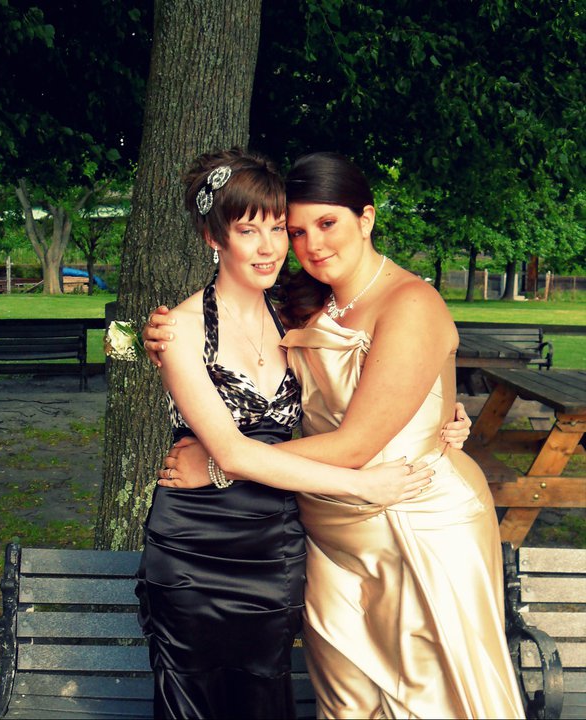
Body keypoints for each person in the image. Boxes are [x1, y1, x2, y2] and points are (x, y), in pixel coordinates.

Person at [142, 151, 519, 720]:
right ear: (215, 237)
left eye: (325, 224)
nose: (305, 244)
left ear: (366, 219)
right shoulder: (301, 303)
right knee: (344, 700)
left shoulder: (407, 301)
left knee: (431, 694)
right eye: (294, 230)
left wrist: (223, 463)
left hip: (408, 516)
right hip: (313, 530)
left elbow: (357, 442)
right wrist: (171, 353)